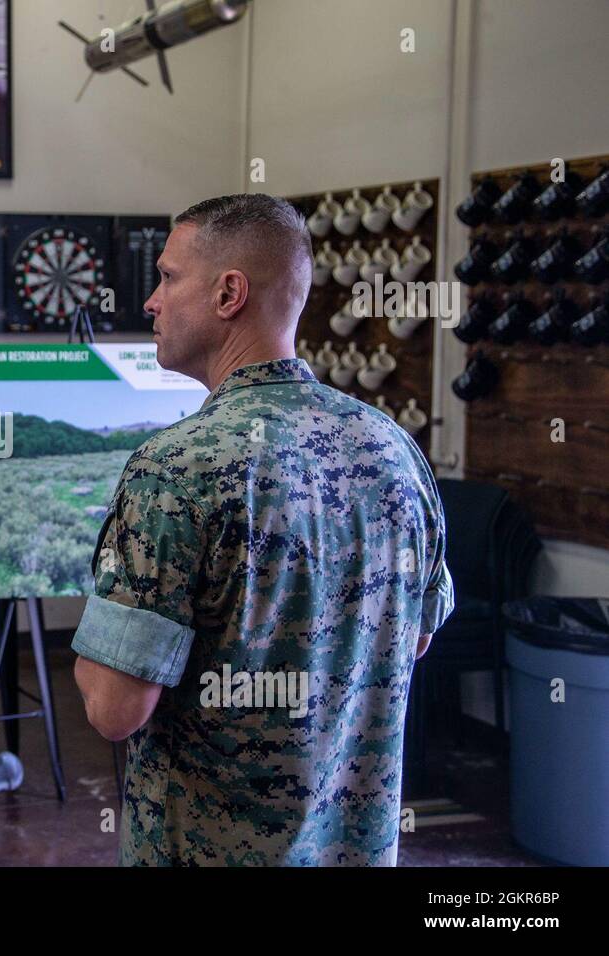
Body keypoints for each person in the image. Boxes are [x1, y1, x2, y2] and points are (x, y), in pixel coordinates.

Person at [71, 193, 454, 866]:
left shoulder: (174, 468)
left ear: (228, 294)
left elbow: (113, 708)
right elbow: (412, 638)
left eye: (167, 277)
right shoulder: (395, 451)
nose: (151, 302)